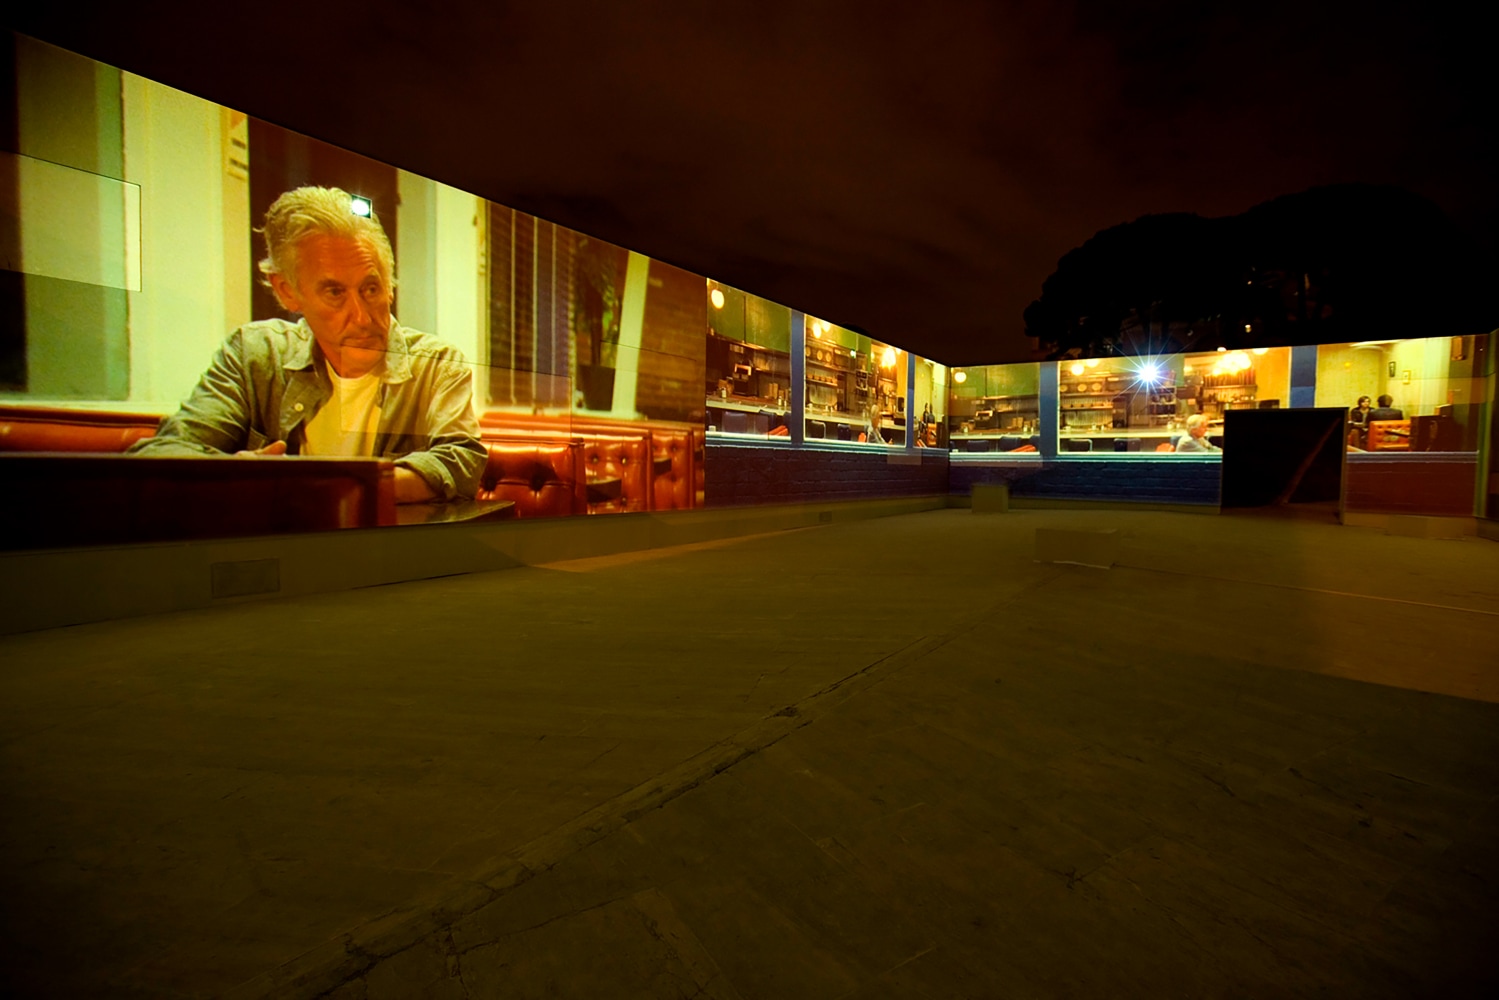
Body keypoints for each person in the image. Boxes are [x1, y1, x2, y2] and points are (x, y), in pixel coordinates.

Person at [130, 186, 486, 503]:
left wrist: (329, 489)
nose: (362, 317)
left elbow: (460, 460)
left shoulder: (436, 363)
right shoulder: (254, 354)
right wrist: (229, 475)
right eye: (335, 292)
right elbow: (161, 453)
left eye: (371, 289)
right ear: (287, 291)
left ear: (390, 286)